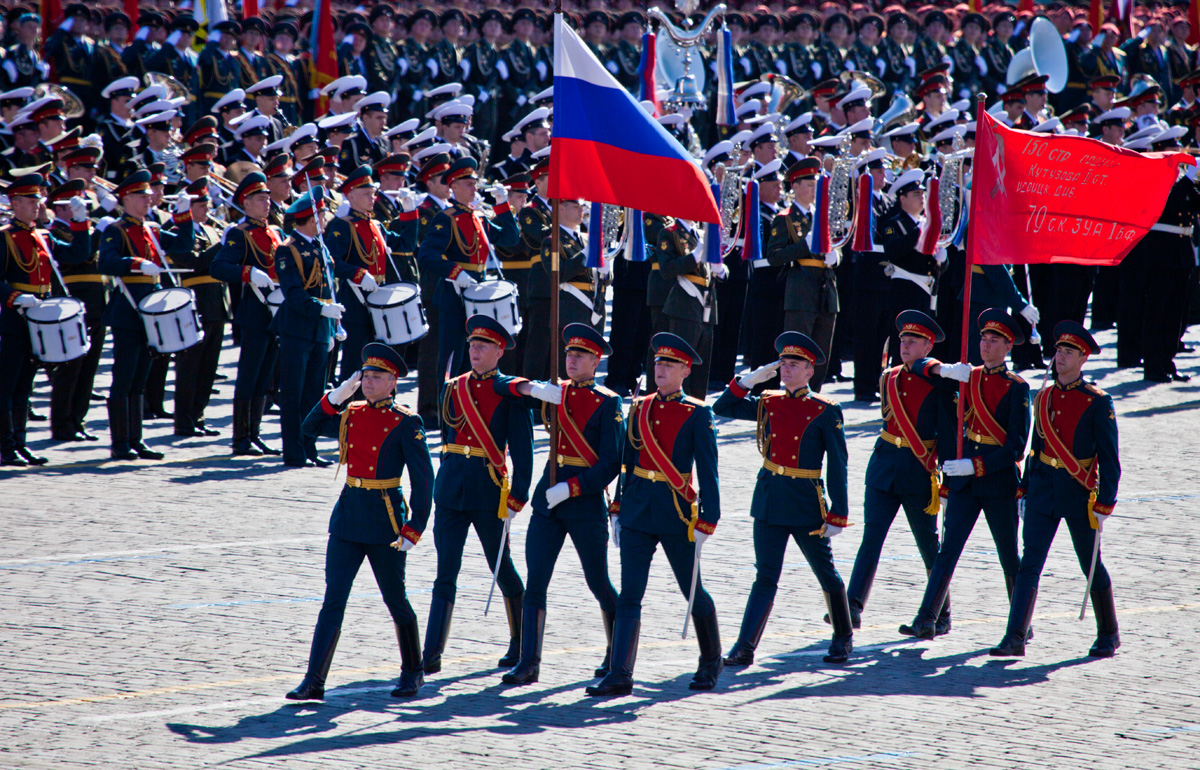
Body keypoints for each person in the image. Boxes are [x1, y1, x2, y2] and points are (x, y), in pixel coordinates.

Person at [286, 343, 434, 700]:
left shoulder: (406, 422)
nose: (369, 383)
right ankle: (314, 679)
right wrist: (339, 393)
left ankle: (413, 670)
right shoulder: (351, 413)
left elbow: (424, 480)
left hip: (385, 521)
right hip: (349, 518)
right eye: (365, 376)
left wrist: (414, 527)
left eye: (377, 377)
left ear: (393, 382)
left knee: (395, 598)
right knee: (333, 599)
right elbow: (308, 428)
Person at [588, 333, 722, 697]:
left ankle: (711, 659)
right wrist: (617, 507)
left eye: (669, 364)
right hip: (637, 509)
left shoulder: (698, 413)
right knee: (630, 592)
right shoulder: (640, 407)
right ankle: (620, 672)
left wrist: (709, 517)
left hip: (675, 512)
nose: (660, 369)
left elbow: (708, 471)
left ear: (685, 371)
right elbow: (627, 461)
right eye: (658, 363)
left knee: (691, 588)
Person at [713, 332, 853, 666]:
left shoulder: (825, 410)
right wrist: (749, 380)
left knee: (826, 573)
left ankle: (843, 635)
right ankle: (745, 646)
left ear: (810, 370)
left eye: (794, 365)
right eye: (783, 364)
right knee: (765, 575)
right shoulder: (769, 402)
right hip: (770, 500)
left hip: (805, 502)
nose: (785, 370)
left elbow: (839, 464)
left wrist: (839, 512)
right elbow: (723, 407)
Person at [501, 324, 623, 685]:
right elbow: (504, 388)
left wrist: (572, 488)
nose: (572, 360)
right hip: (547, 502)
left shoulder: (608, 401)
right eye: (569, 354)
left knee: (597, 580)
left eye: (580, 355)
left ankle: (617, 653)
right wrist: (535, 389)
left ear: (595, 361)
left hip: (582, 502)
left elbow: (610, 464)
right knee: (536, 580)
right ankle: (528, 661)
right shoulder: (555, 392)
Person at [991, 322, 1121, 658]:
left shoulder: (1097, 401)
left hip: (1078, 493)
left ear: (1083, 359)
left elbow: (1109, 459)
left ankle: (1109, 632)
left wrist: (1104, 501)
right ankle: (1015, 635)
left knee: (1090, 564)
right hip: (1043, 490)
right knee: (1030, 563)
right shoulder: (1044, 394)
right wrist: (1025, 485)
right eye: (1058, 350)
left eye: (1068, 352)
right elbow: (1037, 444)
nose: (1060, 357)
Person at [899, 309, 1029, 639]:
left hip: (997, 481)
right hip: (963, 481)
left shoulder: (1016, 387)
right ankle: (927, 619)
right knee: (947, 551)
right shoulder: (966, 376)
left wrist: (977, 465)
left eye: (994, 340)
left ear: (1008, 347)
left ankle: (1020, 622)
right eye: (983, 338)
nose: (986, 345)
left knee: (1007, 555)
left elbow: (1016, 446)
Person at [423, 316, 535, 675]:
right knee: (445, 571)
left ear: (500, 351)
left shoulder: (508, 393)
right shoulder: (452, 388)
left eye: (483, 346)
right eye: (472, 344)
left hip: (488, 491)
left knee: (501, 566)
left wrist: (518, 495)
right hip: (452, 489)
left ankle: (520, 641)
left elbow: (523, 450)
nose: (474, 350)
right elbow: (446, 437)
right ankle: (432, 651)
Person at [845, 310, 962, 630]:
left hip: (918, 470)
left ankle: (941, 612)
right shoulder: (890, 377)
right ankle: (852, 606)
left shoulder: (940, 385)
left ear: (928, 346)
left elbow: (949, 435)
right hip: (883, 466)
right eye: (903, 341)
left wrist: (950, 478)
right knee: (872, 538)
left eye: (913, 342)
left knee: (928, 545)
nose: (905, 346)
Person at [97, 170, 194, 460]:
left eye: (148, 194)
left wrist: (185, 217)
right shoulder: (116, 229)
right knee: (124, 376)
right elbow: (107, 263)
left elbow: (182, 245)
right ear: (126, 198)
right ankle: (120, 441)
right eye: (141, 195)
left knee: (140, 377)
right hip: (128, 310)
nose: (148, 199)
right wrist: (137, 264)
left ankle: (135, 438)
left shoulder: (151, 228)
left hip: (151, 311)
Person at [0, 174, 91, 465]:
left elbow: (78, 253)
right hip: (15, 316)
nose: (37, 204)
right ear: (14, 203)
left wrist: (80, 222)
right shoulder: (4, 237)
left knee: (27, 383)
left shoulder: (43, 235)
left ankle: (20, 442)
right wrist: (13, 296)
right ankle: (6, 446)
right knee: (8, 384)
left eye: (38, 198)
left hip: (39, 316)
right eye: (30, 200)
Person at [273, 191, 357, 467]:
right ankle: (294, 451)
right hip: (298, 327)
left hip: (321, 328)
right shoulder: (288, 249)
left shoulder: (320, 246)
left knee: (314, 392)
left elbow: (328, 288)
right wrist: (322, 310)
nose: (324, 219)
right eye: (320, 215)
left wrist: (333, 324)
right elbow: (293, 293)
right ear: (309, 218)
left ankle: (309, 447)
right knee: (294, 393)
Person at [416, 157, 518, 384]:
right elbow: (427, 255)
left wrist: (502, 204)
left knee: (477, 357)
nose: (474, 188)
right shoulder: (446, 218)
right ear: (453, 186)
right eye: (468, 184)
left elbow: (510, 239)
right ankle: (447, 410)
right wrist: (455, 272)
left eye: (475, 183)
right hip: (453, 294)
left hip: (478, 294)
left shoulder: (479, 216)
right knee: (453, 356)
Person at [211, 172, 284, 456]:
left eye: (268, 198)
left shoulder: (275, 232)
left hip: (275, 311)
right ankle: (241, 436)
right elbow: (218, 267)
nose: (267, 204)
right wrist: (247, 272)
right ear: (246, 202)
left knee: (265, 377)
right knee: (249, 375)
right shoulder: (239, 234)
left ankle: (254, 433)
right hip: (254, 312)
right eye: (260, 199)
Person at [170, 179, 228, 438]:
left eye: (207, 203)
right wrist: (221, 245)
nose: (207, 208)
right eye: (200, 204)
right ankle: (183, 420)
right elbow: (192, 262)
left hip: (217, 303)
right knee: (190, 365)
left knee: (208, 366)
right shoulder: (176, 231)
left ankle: (198, 415)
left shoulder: (211, 229)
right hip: (195, 303)